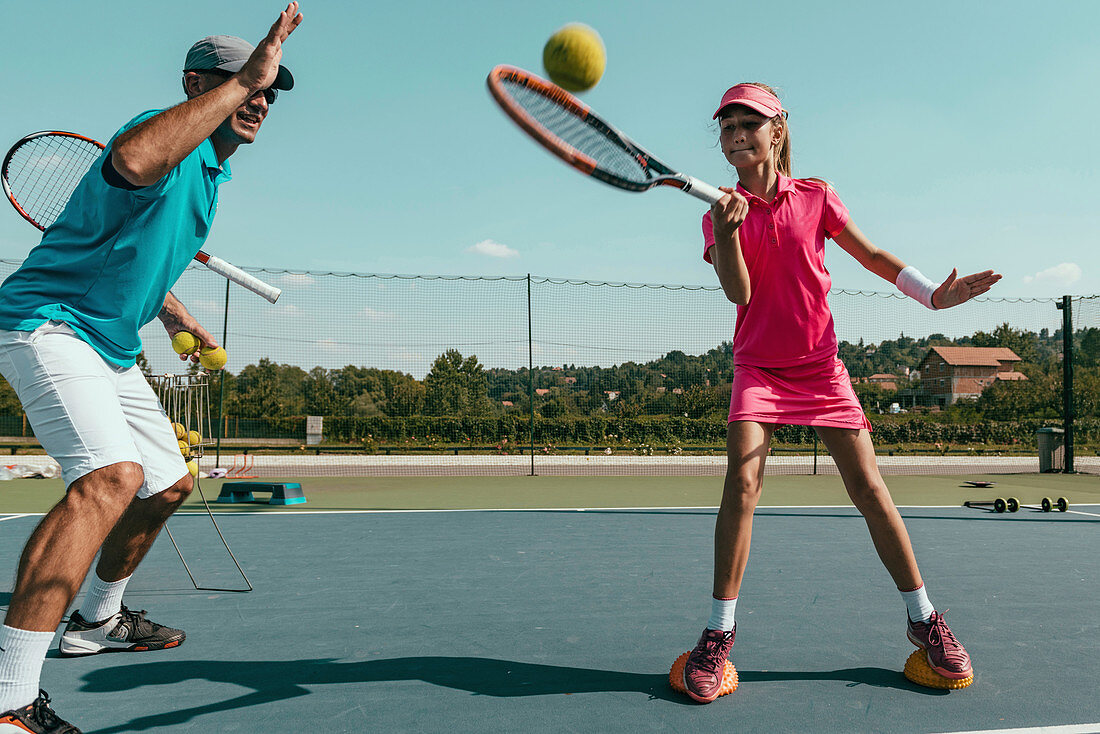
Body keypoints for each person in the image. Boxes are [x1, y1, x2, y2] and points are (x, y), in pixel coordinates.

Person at [0, 5, 303, 731]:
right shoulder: (162, 135)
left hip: (110, 345)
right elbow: (133, 162)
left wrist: (171, 311)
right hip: (48, 326)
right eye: (244, 81)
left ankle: (95, 624)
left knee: (166, 484)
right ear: (197, 84)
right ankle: (9, 701)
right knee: (110, 479)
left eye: (268, 88)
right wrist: (237, 83)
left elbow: (127, 242)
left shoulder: (208, 175)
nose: (260, 96)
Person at [680, 82, 1000, 704]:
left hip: (821, 368)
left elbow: (873, 256)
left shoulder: (817, 196)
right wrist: (724, 230)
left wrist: (934, 294)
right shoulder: (718, 211)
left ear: (777, 131)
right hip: (760, 371)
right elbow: (740, 294)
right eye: (726, 128)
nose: (736, 135)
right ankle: (718, 635)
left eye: (749, 123)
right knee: (741, 485)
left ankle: (924, 617)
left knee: (869, 489)